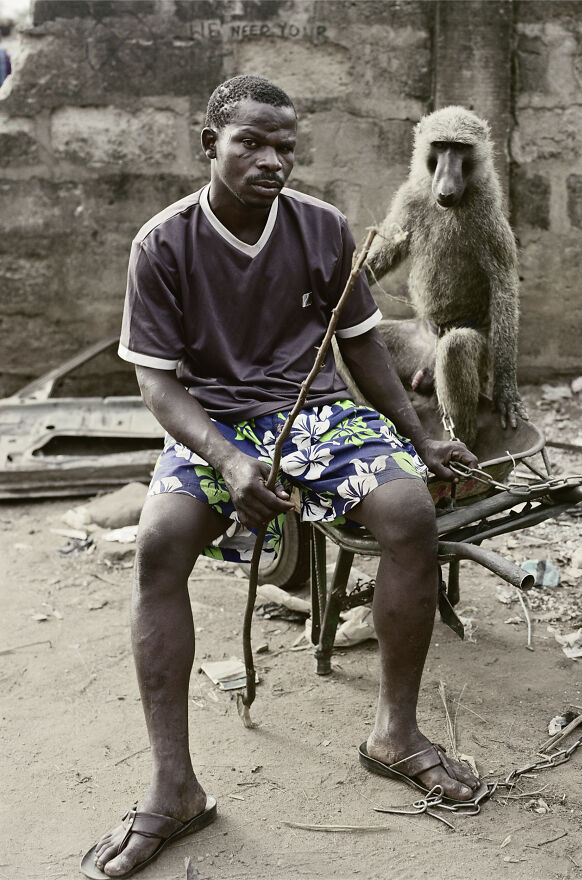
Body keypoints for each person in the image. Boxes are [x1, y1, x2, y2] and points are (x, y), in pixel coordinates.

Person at [81, 75, 480, 879]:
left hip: (318, 416)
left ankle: (393, 734)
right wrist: (227, 459)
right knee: (159, 545)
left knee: (409, 513)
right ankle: (174, 785)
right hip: (213, 420)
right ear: (210, 146)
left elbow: (363, 344)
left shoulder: (325, 229)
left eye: (285, 148)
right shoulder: (162, 243)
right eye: (252, 144)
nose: (273, 161)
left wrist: (420, 435)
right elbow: (158, 384)